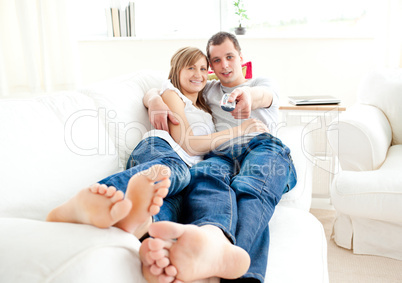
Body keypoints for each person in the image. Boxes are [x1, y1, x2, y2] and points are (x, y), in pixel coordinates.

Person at [46, 46, 267, 280]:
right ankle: (98, 200)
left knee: (173, 205)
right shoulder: (172, 94)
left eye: (203, 69)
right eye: (190, 67)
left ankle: (140, 222)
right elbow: (189, 143)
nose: (198, 74)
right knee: (174, 171)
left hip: (188, 173)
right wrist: (239, 131)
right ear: (176, 70)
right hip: (163, 150)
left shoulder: (203, 106)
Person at [140, 32, 297, 283]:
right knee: (203, 178)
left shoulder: (261, 83)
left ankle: (233, 267)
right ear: (211, 66)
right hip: (220, 153)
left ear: (241, 58)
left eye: (229, 57)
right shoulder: (207, 89)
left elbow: (263, 96)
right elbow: (159, 86)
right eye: (216, 60)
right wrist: (155, 100)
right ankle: (210, 244)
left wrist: (247, 96)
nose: (224, 65)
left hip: (261, 146)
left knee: (251, 189)